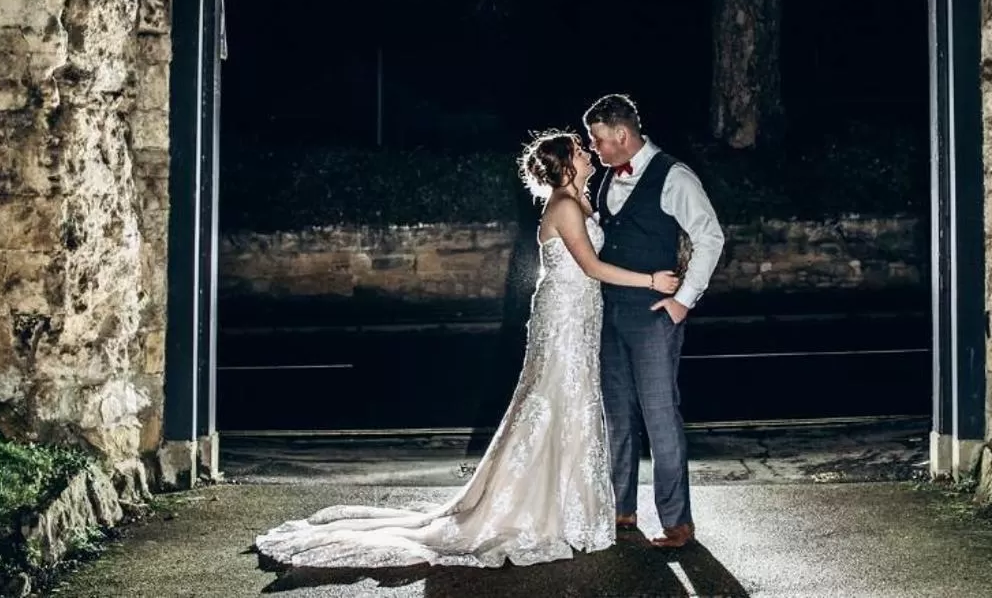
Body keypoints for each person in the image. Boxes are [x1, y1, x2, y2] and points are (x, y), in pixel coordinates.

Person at [253, 130, 680, 569]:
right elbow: (590, 265)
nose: (589, 153)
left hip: (581, 312)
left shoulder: (584, 200)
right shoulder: (566, 206)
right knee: (555, 400)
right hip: (564, 317)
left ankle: (570, 508)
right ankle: (540, 509)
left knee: (575, 401)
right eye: (580, 150)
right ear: (567, 165)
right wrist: (651, 281)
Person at [584, 92, 725, 550]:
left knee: (661, 416)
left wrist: (683, 300)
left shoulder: (674, 176)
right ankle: (622, 509)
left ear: (622, 135)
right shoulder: (606, 178)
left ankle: (677, 522)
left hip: (653, 317)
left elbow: (710, 237)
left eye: (599, 140)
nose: (595, 149)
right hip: (611, 312)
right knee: (617, 416)